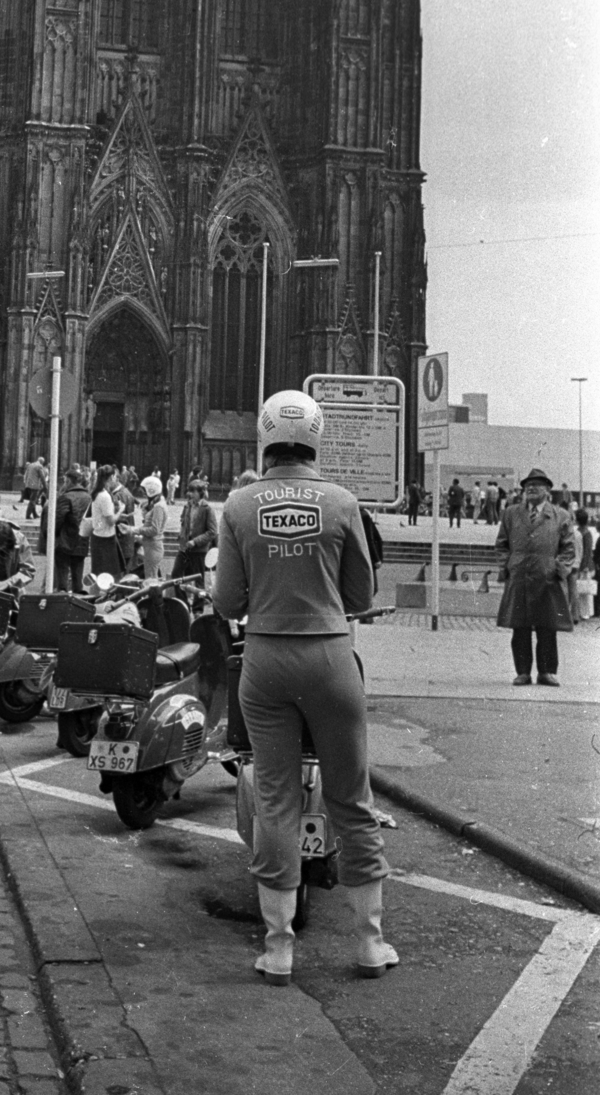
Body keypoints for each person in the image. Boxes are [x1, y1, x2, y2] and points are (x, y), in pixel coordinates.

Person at [213, 389, 394, 986]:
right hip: (329, 659)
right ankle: (369, 943)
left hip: (264, 661)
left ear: (265, 437)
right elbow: (362, 598)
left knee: (276, 799)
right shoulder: (342, 502)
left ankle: (278, 948)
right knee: (351, 798)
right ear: (316, 436)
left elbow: (225, 601)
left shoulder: (239, 505)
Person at [495, 468, 576, 687]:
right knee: (519, 627)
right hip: (519, 576)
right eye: (527, 485)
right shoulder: (511, 513)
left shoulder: (561, 516)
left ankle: (547, 672)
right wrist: (507, 566)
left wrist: (558, 569)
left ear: (548, 490)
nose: (530, 488)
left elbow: (569, 549)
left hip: (547, 578)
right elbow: (502, 544)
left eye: (537, 484)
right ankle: (522, 672)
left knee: (547, 627)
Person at [52, 467, 91, 593]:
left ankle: (62, 602)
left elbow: (58, 520)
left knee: (62, 576)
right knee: (77, 578)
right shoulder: (88, 497)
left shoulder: (66, 497)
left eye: (64, 480)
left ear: (69, 481)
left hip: (65, 541)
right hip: (82, 541)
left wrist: (55, 535)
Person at [172, 480, 218, 581]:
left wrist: (195, 541)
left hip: (198, 551)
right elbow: (183, 522)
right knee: (176, 577)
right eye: (189, 491)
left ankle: (198, 597)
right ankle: (181, 597)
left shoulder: (207, 509)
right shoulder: (187, 506)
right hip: (184, 548)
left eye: (193, 491)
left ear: (201, 493)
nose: (190, 494)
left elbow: (213, 532)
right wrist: (181, 534)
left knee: (197, 581)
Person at [87, 465, 122, 578]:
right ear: (111, 477)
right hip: (106, 539)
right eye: (115, 476)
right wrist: (121, 510)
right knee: (108, 576)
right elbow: (111, 521)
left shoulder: (98, 493)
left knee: (99, 574)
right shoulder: (105, 496)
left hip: (98, 537)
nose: (116, 479)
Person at [138, 475, 167, 579]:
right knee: (150, 577)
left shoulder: (158, 507)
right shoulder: (157, 505)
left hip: (153, 546)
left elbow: (154, 530)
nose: (144, 495)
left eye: (145, 492)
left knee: (151, 579)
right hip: (151, 546)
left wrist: (135, 530)